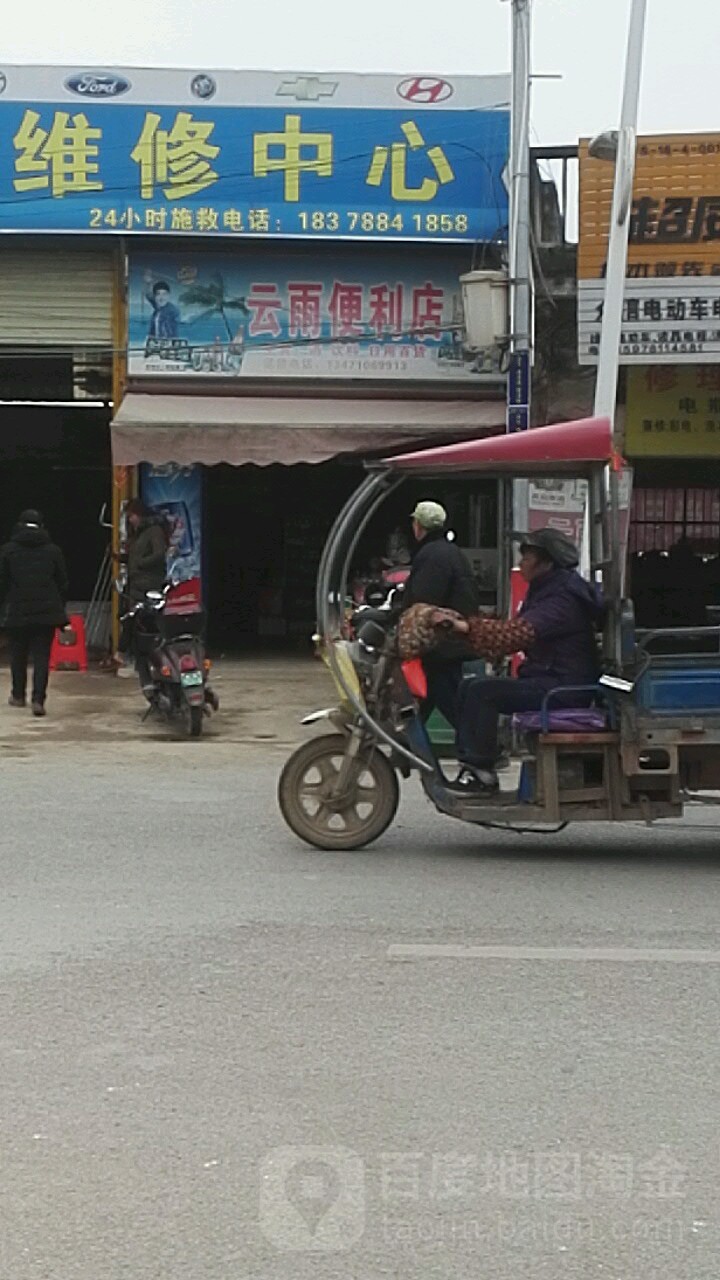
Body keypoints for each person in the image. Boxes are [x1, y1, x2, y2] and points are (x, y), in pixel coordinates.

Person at [398, 528, 604, 794]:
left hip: (561, 688)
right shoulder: (548, 590)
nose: (521, 562)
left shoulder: (562, 599)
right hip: (549, 680)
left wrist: (464, 628)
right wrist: (461, 622)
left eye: (528, 557)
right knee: (469, 687)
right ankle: (473, 764)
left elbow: (515, 634)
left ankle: (481, 772)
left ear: (547, 563)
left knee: (483, 692)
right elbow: (511, 626)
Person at [400, 500, 479, 727]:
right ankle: (405, 752)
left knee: (449, 702)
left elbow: (424, 602)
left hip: (442, 644)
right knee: (425, 702)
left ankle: (484, 752)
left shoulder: (432, 555)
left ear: (419, 526)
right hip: (449, 643)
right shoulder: (449, 551)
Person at [0, 509, 68, 717]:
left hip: (17, 611)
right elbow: (62, 582)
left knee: (17, 655)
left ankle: (18, 695)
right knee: (41, 657)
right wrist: (58, 606)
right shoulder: (53, 551)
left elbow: (2, 583)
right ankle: (38, 700)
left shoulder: (8, 550)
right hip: (46, 612)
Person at [115, 500, 169, 681]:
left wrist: (139, 563)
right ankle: (129, 657)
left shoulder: (154, 532)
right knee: (132, 620)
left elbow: (159, 553)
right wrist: (121, 558)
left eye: (131, 516)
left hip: (148, 585)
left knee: (142, 622)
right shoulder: (139, 535)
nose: (130, 520)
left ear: (139, 514)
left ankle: (124, 655)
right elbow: (135, 557)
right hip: (136, 584)